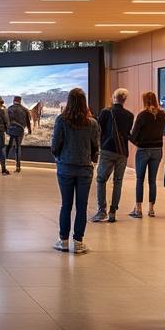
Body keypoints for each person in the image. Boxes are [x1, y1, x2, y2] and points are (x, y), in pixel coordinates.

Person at [51, 87, 99, 254]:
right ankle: (78, 242)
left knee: (66, 205)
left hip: (65, 168)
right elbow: (95, 146)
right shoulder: (92, 123)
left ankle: (63, 240)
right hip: (85, 169)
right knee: (82, 206)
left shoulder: (61, 120)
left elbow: (55, 145)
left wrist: (59, 156)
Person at [92, 88, 134, 223]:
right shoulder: (129, 115)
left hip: (107, 150)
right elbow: (127, 132)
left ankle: (101, 211)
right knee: (118, 181)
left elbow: (99, 130)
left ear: (113, 97)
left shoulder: (105, 112)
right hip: (122, 152)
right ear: (125, 100)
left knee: (101, 180)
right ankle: (113, 212)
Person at [129, 91, 165, 218]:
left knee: (140, 179)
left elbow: (133, 136)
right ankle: (151, 209)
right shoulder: (162, 115)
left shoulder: (142, 115)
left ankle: (138, 209)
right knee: (152, 181)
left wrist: (133, 139)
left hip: (143, 150)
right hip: (157, 149)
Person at [6, 96, 31, 172]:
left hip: (11, 129)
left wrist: (6, 129)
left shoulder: (9, 108)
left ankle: (4, 161)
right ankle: (18, 166)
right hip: (20, 130)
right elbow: (28, 121)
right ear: (20, 101)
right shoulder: (25, 109)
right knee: (17, 147)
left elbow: (6, 120)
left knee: (10, 145)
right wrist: (29, 130)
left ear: (14, 101)